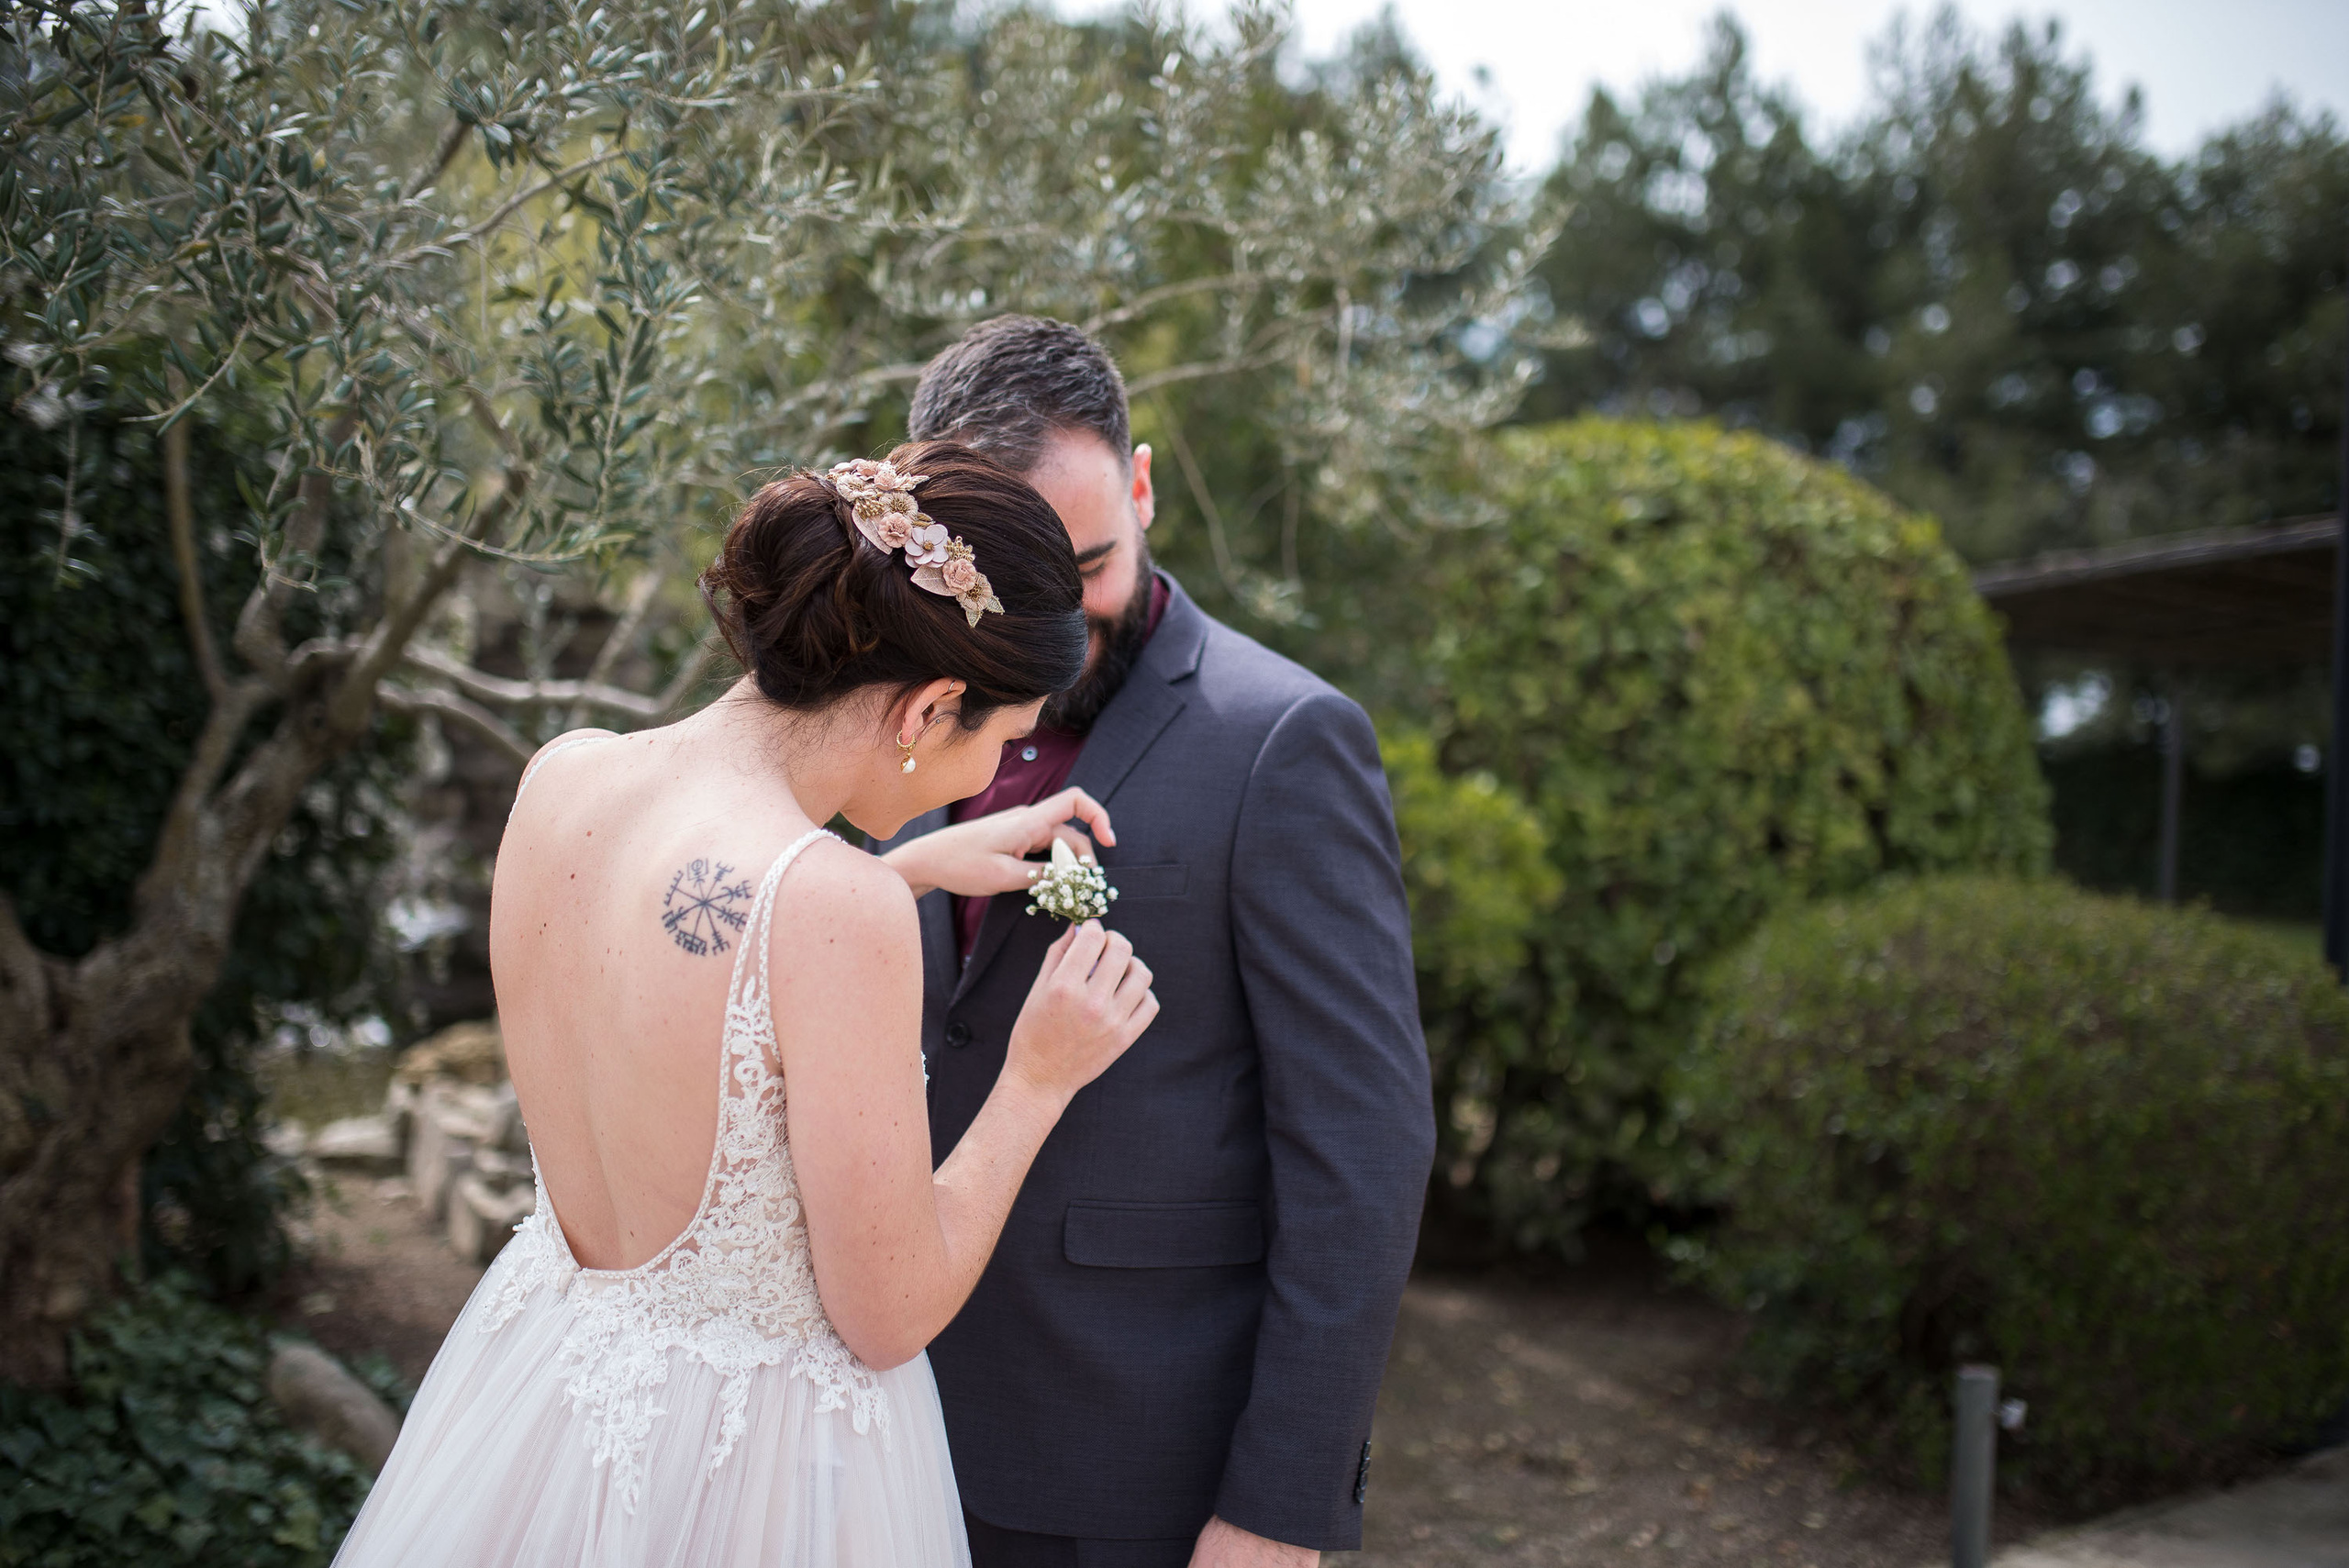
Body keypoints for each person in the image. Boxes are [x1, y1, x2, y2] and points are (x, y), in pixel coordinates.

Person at [333, 441, 1160, 1567]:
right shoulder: (837, 911)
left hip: (542, 1389)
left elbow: (679, 954)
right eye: (1002, 739)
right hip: (745, 1479)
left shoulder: (565, 777)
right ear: (929, 705)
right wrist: (1038, 1076)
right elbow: (889, 1312)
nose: (992, 774)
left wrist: (911, 863)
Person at [872, 317, 1436, 1567]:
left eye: (1085, 563)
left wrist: (1281, 1508)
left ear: (1141, 487)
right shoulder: (893, 728)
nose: (1053, 623)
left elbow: (1364, 1148)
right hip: (883, 1435)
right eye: (1004, 577)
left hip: (1139, 1467)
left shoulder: (1285, 740)